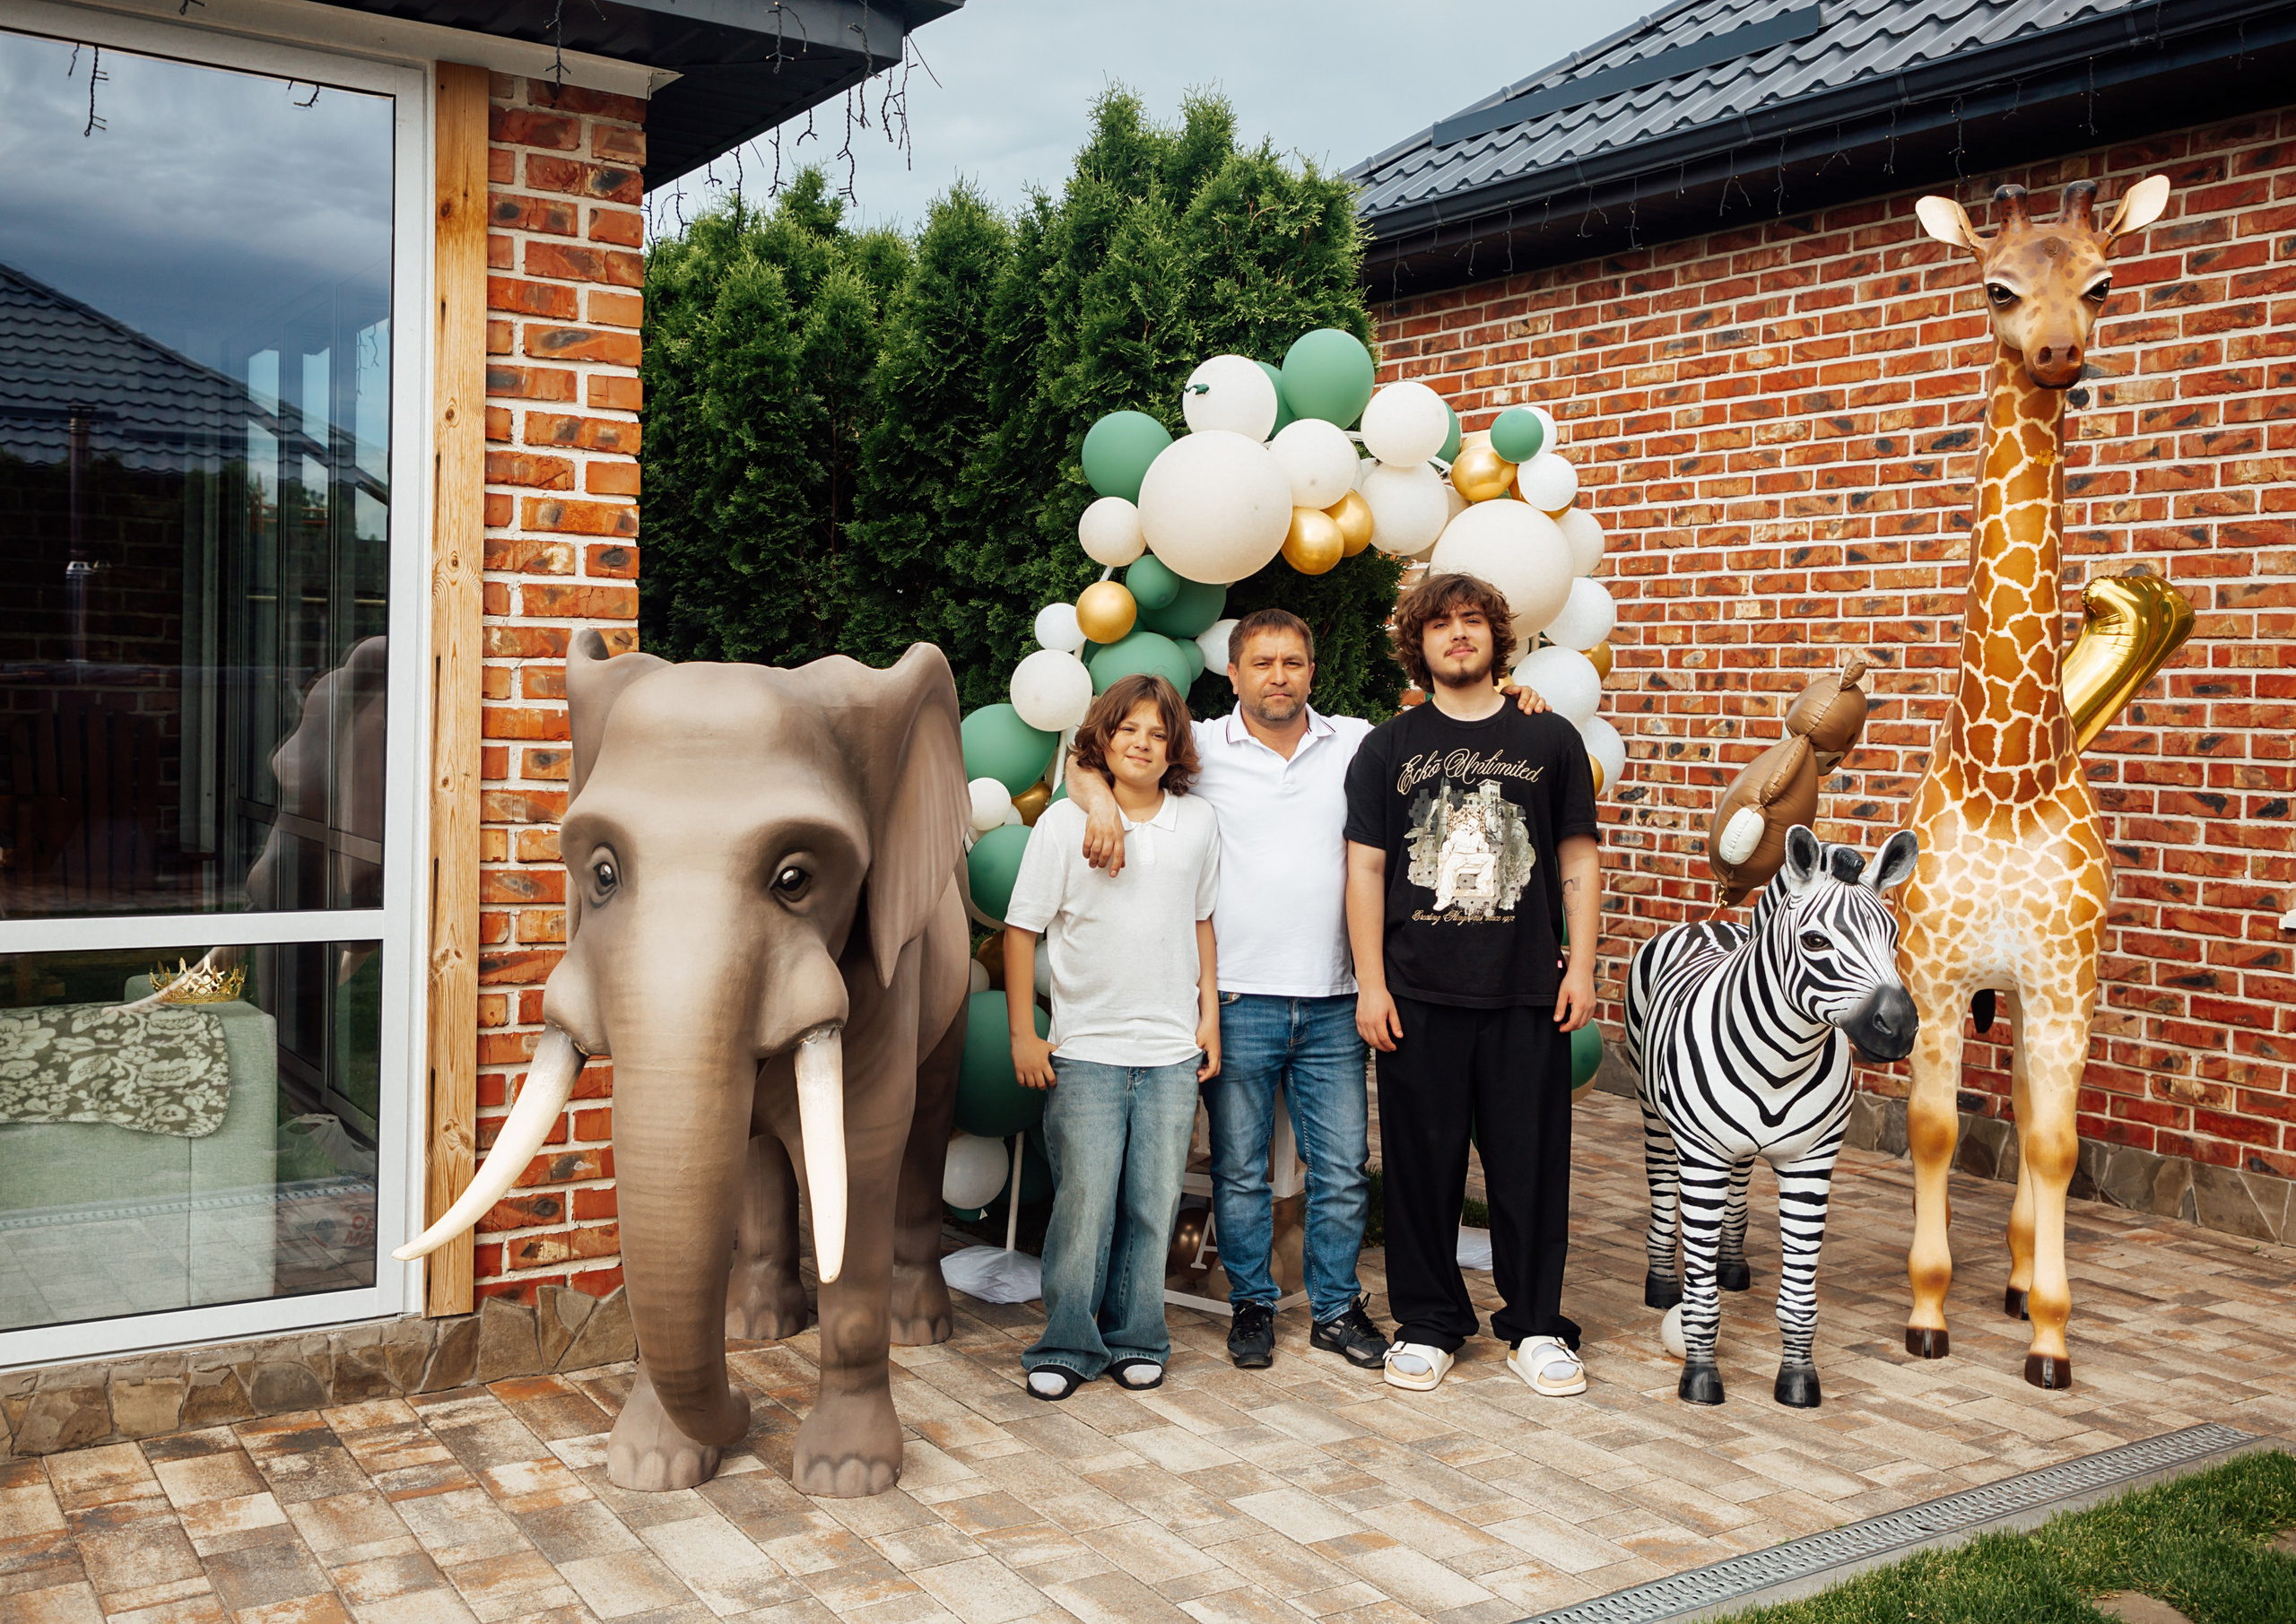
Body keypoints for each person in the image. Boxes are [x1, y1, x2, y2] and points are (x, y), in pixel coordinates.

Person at [1067, 609, 1549, 1372]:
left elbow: (1452, 727)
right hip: (1235, 996)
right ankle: (1253, 1303)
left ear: (1312, 673)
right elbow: (1097, 756)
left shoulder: (1359, 740)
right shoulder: (1202, 749)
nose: (1278, 675)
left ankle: (1334, 1306)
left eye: (1293, 661)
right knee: (1240, 1167)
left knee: (1341, 1167)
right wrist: (1093, 799)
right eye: (1262, 663)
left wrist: (1515, 696)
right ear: (1234, 674)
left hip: (1333, 996)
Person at [1343, 571, 1601, 1396]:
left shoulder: (1550, 739)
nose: (1457, 634)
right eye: (1440, 624)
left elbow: (1577, 859)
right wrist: (1370, 984)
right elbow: (1367, 870)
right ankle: (1427, 1321)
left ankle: (1535, 1324)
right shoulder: (1387, 748)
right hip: (1417, 993)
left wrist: (1586, 965)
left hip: (1527, 990)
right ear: (1417, 645)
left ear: (1498, 637)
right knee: (1421, 1167)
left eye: (1471, 621)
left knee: (1530, 1167)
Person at [1003, 673, 1222, 1401]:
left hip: (1168, 1050)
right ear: (1102, 735)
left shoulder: (1197, 823)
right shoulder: (1065, 826)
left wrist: (1208, 1014)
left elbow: (1202, 922)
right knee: (1085, 1201)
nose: (1143, 742)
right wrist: (1023, 1034)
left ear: (1175, 750)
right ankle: (1066, 1342)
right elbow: (1021, 929)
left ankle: (1137, 1336)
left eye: (1159, 734)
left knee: (1152, 1200)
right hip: (1087, 1047)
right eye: (1129, 728)